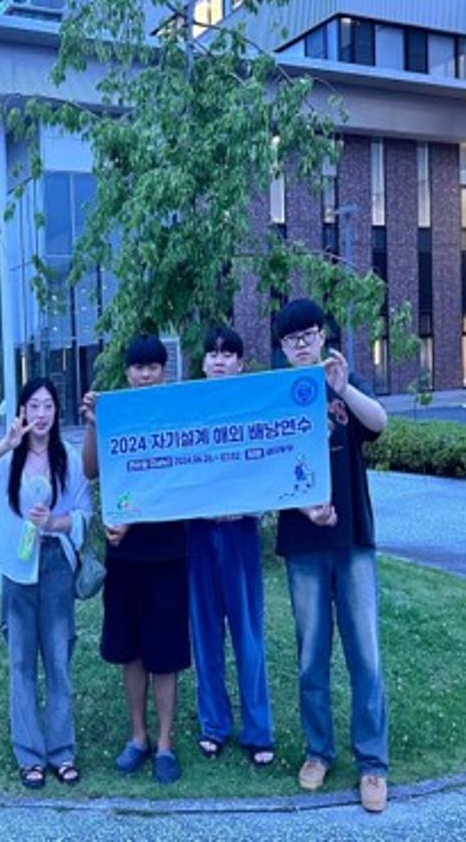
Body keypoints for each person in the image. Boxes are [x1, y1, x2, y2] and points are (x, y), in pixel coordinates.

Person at [273, 298, 390, 813]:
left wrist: (344, 389)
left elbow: (379, 423)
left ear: (322, 336)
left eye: (309, 334)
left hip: (353, 541)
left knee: (366, 654)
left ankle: (373, 763)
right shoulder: (276, 395)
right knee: (310, 656)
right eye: (291, 338)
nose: (302, 344)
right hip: (303, 545)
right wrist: (305, 508)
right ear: (282, 347)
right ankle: (318, 751)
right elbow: (266, 471)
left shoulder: (344, 379)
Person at [0, 377, 92, 790]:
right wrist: (6, 443)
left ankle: (61, 751)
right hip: (16, 569)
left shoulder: (68, 457)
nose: (41, 414)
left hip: (55, 565)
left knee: (58, 659)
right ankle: (29, 756)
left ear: (57, 411)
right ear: (22, 411)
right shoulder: (8, 459)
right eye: (33, 406)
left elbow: (85, 512)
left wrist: (54, 522)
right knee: (21, 662)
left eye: (48, 406)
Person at [81, 334, 191, 785]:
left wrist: (139, 518)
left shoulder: (177, 414)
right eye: (138, 367)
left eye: (153, 366)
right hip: (124, 555)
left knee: (165, 653)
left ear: (164, 371)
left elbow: (182, 479)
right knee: (130, 651)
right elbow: (91, 470)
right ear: (126, 372)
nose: (145, 374)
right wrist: (93, 424)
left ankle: (165, 742)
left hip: (167, 552)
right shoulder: (116, 413)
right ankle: (138, 736)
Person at [186, 325, 275, 767]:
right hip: (197, 533)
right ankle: (214, 725)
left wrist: (246, 504)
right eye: (212, 354)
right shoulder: (186, 409)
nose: (219, 361)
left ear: (240, 364)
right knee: (205, 633)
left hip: (240, 531)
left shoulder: (254, 406)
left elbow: (268, 465)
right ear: (203, 364)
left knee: (248, 633)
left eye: (227, 355)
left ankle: (258, 729)